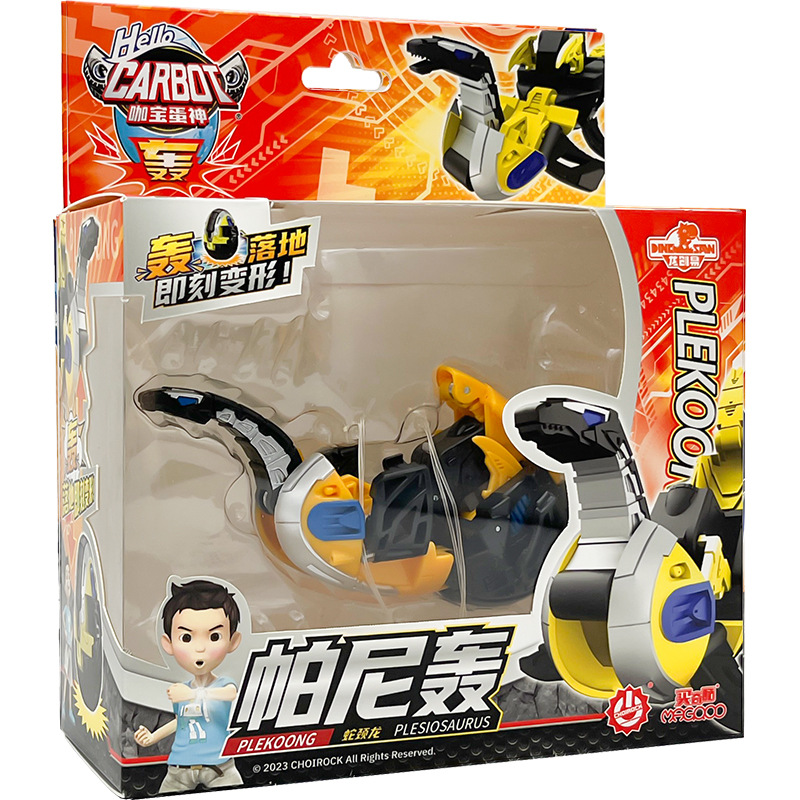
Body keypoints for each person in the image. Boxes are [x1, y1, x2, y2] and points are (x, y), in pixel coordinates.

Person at [134, 580, 244, 793]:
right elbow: (181, 721)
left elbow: (230, 694)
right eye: (186, 637)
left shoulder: (223, 685)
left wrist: (194, 694)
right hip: (179, 769)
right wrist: (152, 737)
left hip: (220, 767)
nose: (200, 648)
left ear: (233, 641)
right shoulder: (181, 690)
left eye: (214, 636)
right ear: (168, 644)